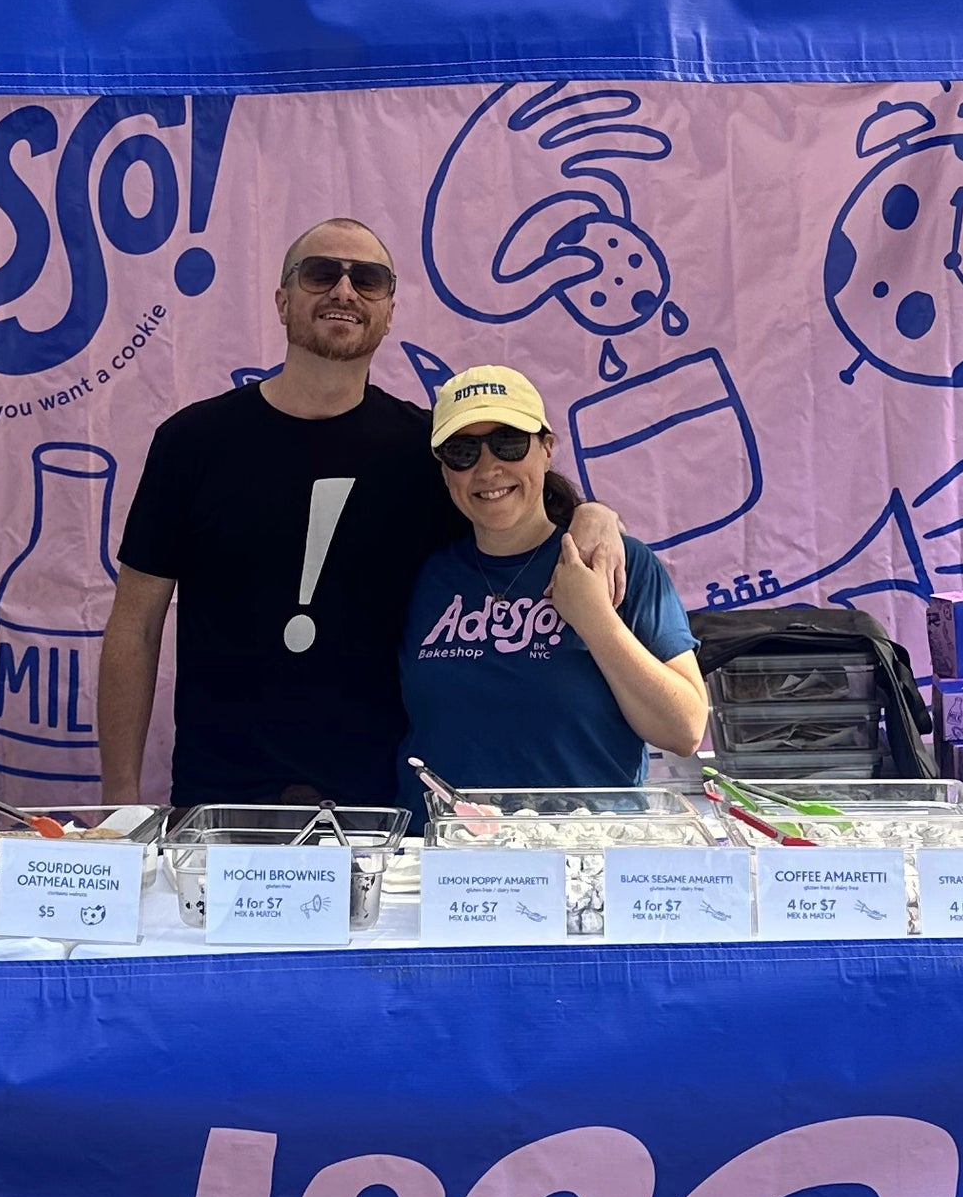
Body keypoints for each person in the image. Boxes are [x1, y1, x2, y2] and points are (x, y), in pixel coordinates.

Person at [99, 219, 623, 808]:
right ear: (282, 301)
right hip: (224, 798)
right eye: (321, 273)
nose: (344, 291)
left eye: (367, 279)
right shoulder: (191, 442)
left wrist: (595, 515)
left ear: (389, 310)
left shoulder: (429, 450)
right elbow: (135, 626)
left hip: (384, 800)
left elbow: (523, 520)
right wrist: (118, 801)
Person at [397, 366, 705, 806]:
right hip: (448, 858)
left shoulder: (616, 562)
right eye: (463, 451)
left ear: (546, 449)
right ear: (445, 471)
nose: (488, 468)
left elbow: (685, 730)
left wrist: (596, 620)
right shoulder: (422, 574)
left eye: (509, 443)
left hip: (582, 854)